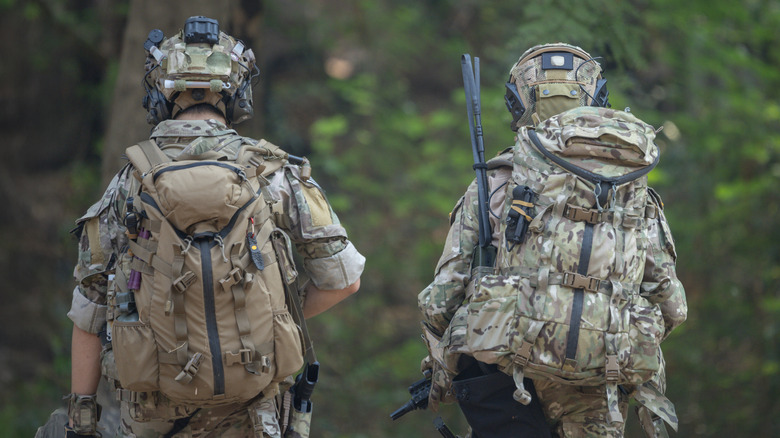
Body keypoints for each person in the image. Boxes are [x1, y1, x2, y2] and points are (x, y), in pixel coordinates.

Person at [65, 16, 364, 438]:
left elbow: (89, 311)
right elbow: (343, 280)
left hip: (154, 412)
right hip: (255, 406)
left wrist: (81, 418)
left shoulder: (128, 183)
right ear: (237, 91)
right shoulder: (275, 174)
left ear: (160, 92)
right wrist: (271, 316)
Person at [418, 43, 687, 437]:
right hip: (600, 383)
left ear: (518, 104)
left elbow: (440, 302)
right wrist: (604, 334)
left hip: (507, 381)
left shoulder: (493, 184)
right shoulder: (634, 191)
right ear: (596, 96)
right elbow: (673, 307)